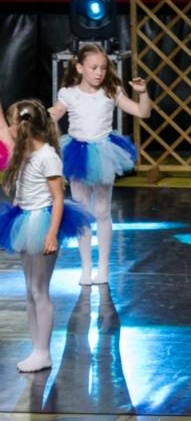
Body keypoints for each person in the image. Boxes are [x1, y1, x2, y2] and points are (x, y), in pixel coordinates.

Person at [0, 100, 93, 372]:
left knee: (39, 290)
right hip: (24, 220)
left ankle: (43, 352)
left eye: (11, 122)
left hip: (41, 224)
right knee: (31, 290)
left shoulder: (47, 156)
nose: (9, 128)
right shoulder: (25, 152)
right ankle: (36, 349)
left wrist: (51, 233)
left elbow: (58, 198)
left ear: (22, 126)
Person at [49, 43, 151, 285]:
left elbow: (142, 112)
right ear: (79, 68)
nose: (99, 73)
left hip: (104, 152)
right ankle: (86, 267)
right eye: (93, 67)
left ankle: (103, 267)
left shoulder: (111, 91)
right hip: (77, 152)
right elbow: (56, 112)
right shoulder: (68, 93)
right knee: (82, 210)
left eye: (103, 68)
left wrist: (143, 93)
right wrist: (43, 115)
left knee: (103, 211)